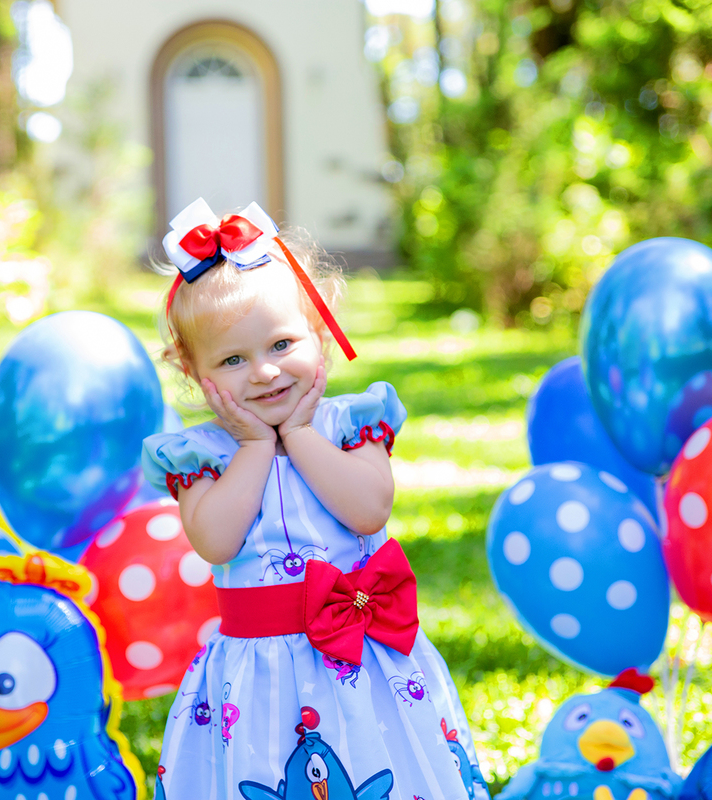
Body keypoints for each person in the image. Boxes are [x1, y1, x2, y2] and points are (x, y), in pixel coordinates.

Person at [142, 198, 488, 800]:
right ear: (196, 376)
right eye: (232, 360)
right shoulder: (203, 456)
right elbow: (215, 540)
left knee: (382, 770)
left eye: (281, 345)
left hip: (363, 658)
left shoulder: (350, 425)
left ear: (319, 336)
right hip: (258, 674)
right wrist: (254, 446)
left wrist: (297, 436)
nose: (264, 373)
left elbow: (369, 508)